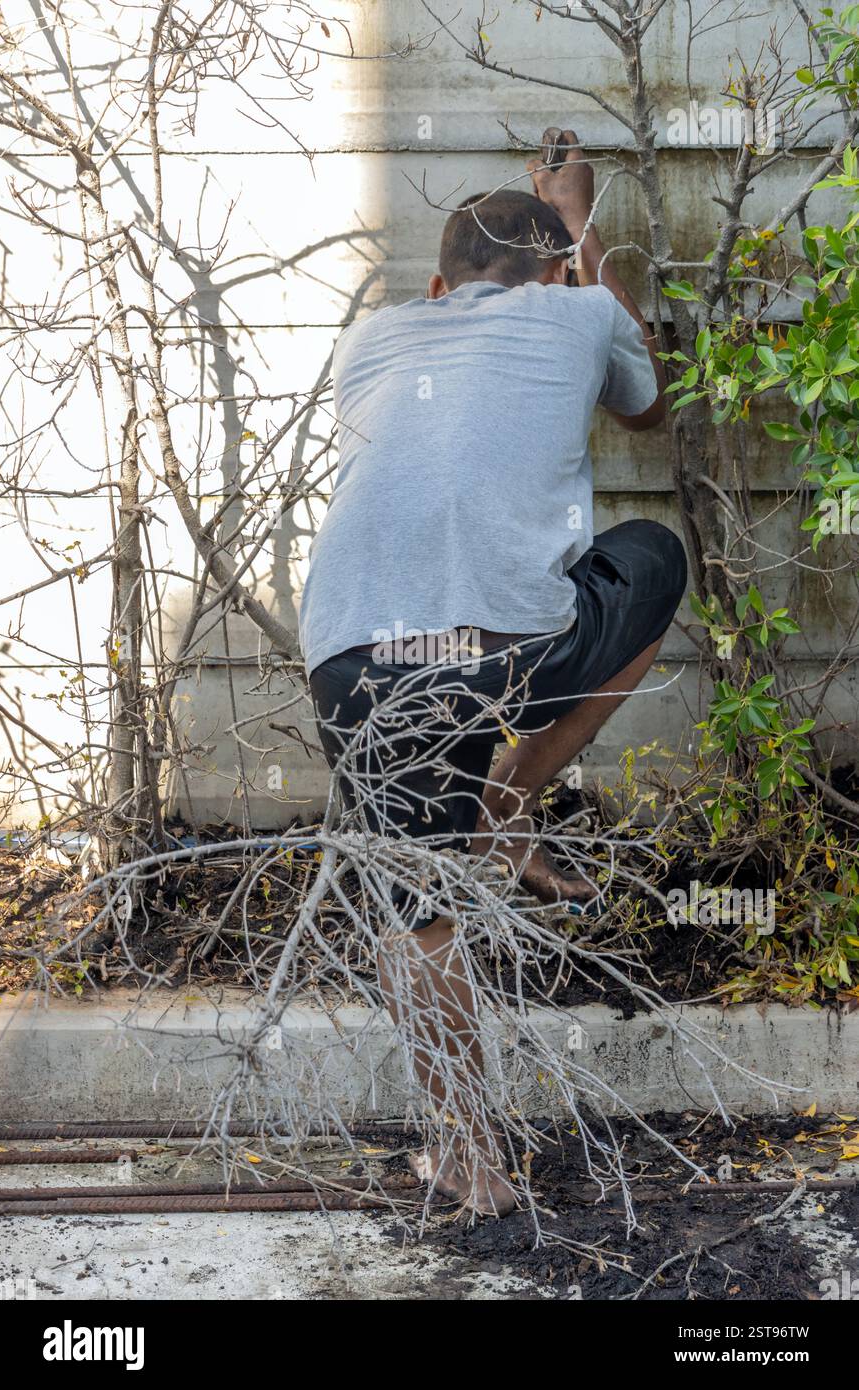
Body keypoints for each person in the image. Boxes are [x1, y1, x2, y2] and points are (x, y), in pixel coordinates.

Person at [299, 129, 687, 1215]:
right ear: (556, 272)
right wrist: (578, 224)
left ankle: (467, 1160)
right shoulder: (578, 308)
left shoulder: (370, 340)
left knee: (415, 913)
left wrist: (548, 241)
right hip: (507, 647)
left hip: (353, 655)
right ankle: (509, 798)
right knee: (650, 559)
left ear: (433, 285)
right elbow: (649, 403)